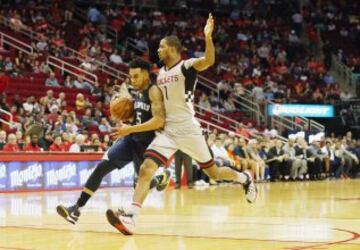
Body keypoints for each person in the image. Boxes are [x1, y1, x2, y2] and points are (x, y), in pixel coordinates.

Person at [106, 14, 257, 235]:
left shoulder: (187, 66)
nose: (158, 50)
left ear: (173, 49)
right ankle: (131, 216)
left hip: (188, 129)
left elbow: (209, 61)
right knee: (147, 169)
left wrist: (207, 37)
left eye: (161, 46)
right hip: (168, 131)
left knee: (214, 173)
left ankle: (245, 178)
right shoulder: (159, 75)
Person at [56, 58, 171, 224]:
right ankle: (76, 209)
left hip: (146, 145)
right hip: (131, 139)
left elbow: (159, 121)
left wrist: (129, 128)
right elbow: (140, 117)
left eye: (136, 76)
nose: (133, 80)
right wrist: (127, 120)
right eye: (131, 76)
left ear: (146, 75)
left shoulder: (154, 91)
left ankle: (158, 180)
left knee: (139, 184)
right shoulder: (137, 92)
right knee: (101, 168)